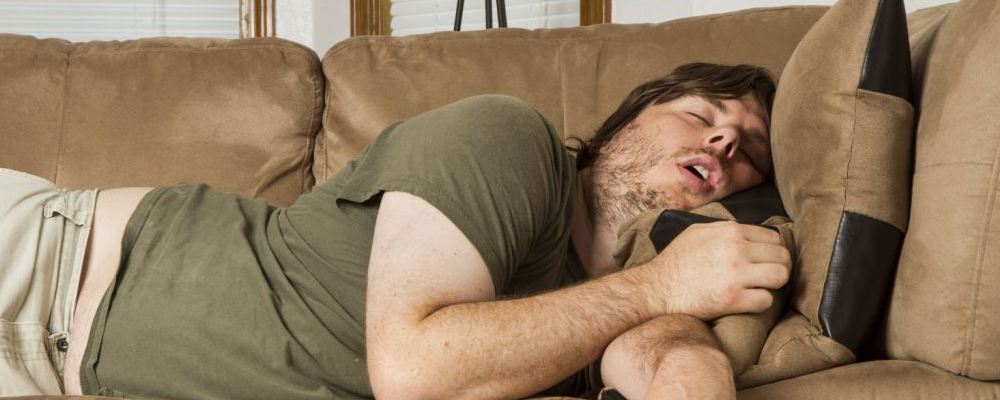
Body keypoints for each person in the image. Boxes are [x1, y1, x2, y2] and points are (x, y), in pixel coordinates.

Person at [1, 62, 790, 400]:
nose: (724, 140)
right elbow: (414, 369)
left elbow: (670, 362)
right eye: (701, 114)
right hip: (45, 259)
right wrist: (660, 285)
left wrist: (683, 322)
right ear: (627, 120)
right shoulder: (509, 142)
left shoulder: (622, 296)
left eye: (750, 150)